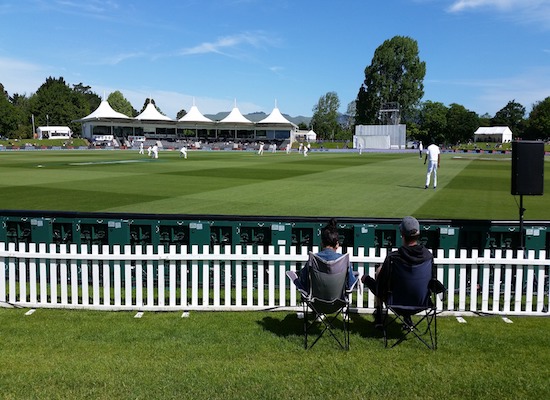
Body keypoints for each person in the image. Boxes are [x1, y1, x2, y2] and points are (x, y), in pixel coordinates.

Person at [362, 216, 434, 327]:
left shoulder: (393, 258)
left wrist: (367, 280)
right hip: (421, 303)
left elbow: (380, 289)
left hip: (396, 303)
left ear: (402, 235)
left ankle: (379, 318)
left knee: (380, 272)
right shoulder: (428, 256)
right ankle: (407, 318)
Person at [297, 218, 358, 292]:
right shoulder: (343, 260)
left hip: (316, 300)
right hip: (339, 300)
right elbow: (350, 284)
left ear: (322, 243)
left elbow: (303, 281)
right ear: (337, 245)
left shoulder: (313, 259)